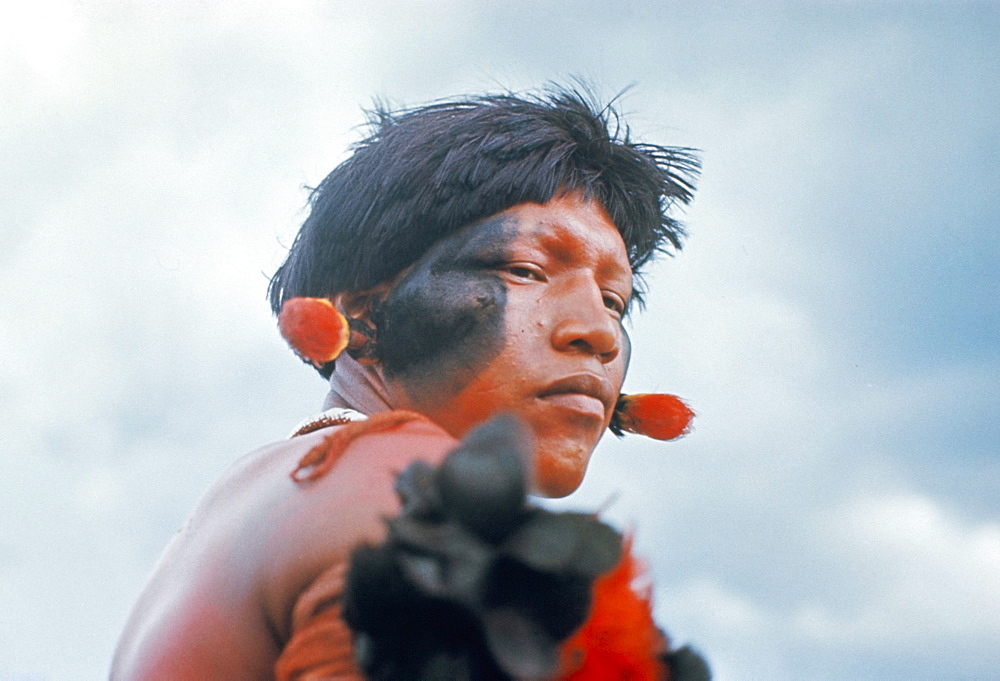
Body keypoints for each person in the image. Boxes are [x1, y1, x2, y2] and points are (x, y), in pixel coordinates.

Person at [111, 86, 701, 680]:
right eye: (526, 270)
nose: (597, 332)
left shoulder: (270, 492)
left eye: (614, 301)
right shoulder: (402, 486)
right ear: (363, 316)